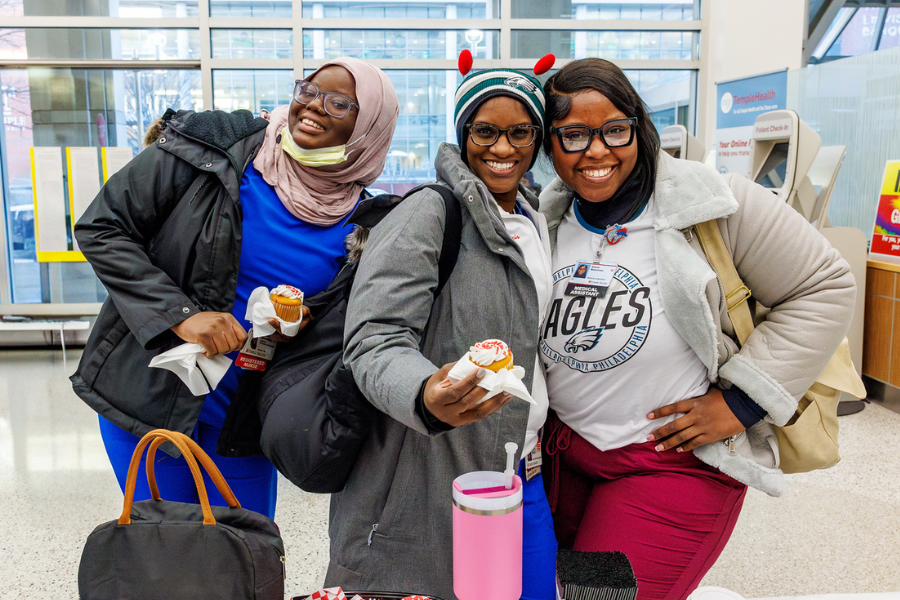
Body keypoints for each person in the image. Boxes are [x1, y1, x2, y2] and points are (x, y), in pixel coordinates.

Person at [537, 58, 855, 600]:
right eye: (573, 135)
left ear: (639, 128)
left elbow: (824, 285)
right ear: (551, 145)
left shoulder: (714, 204)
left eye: (614, 130)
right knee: (556, 591)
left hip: (667, 467)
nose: (596, 151)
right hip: (564, 460)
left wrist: (743, 401)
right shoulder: (545, 219)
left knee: (600, 597)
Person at [71, 57, 399, 520]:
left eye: (339, 103)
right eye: (308, 91)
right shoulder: (212, 150)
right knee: (164, 549)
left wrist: (306, 323)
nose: (313, 106)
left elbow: (344, 330)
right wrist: (182, 316)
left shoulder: (366, 223)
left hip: (243, 420)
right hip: (151, 398)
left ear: (370, 127)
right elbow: (103, 228)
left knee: (244, 551)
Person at [329, 67, 557, 600]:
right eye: (486, 131)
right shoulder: (430, 211)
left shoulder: (535, 218)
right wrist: (425, 392)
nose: (503, 147)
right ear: (463, 133)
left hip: (522, 474)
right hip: (430, 480)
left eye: (520, 132)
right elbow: (374, 336)